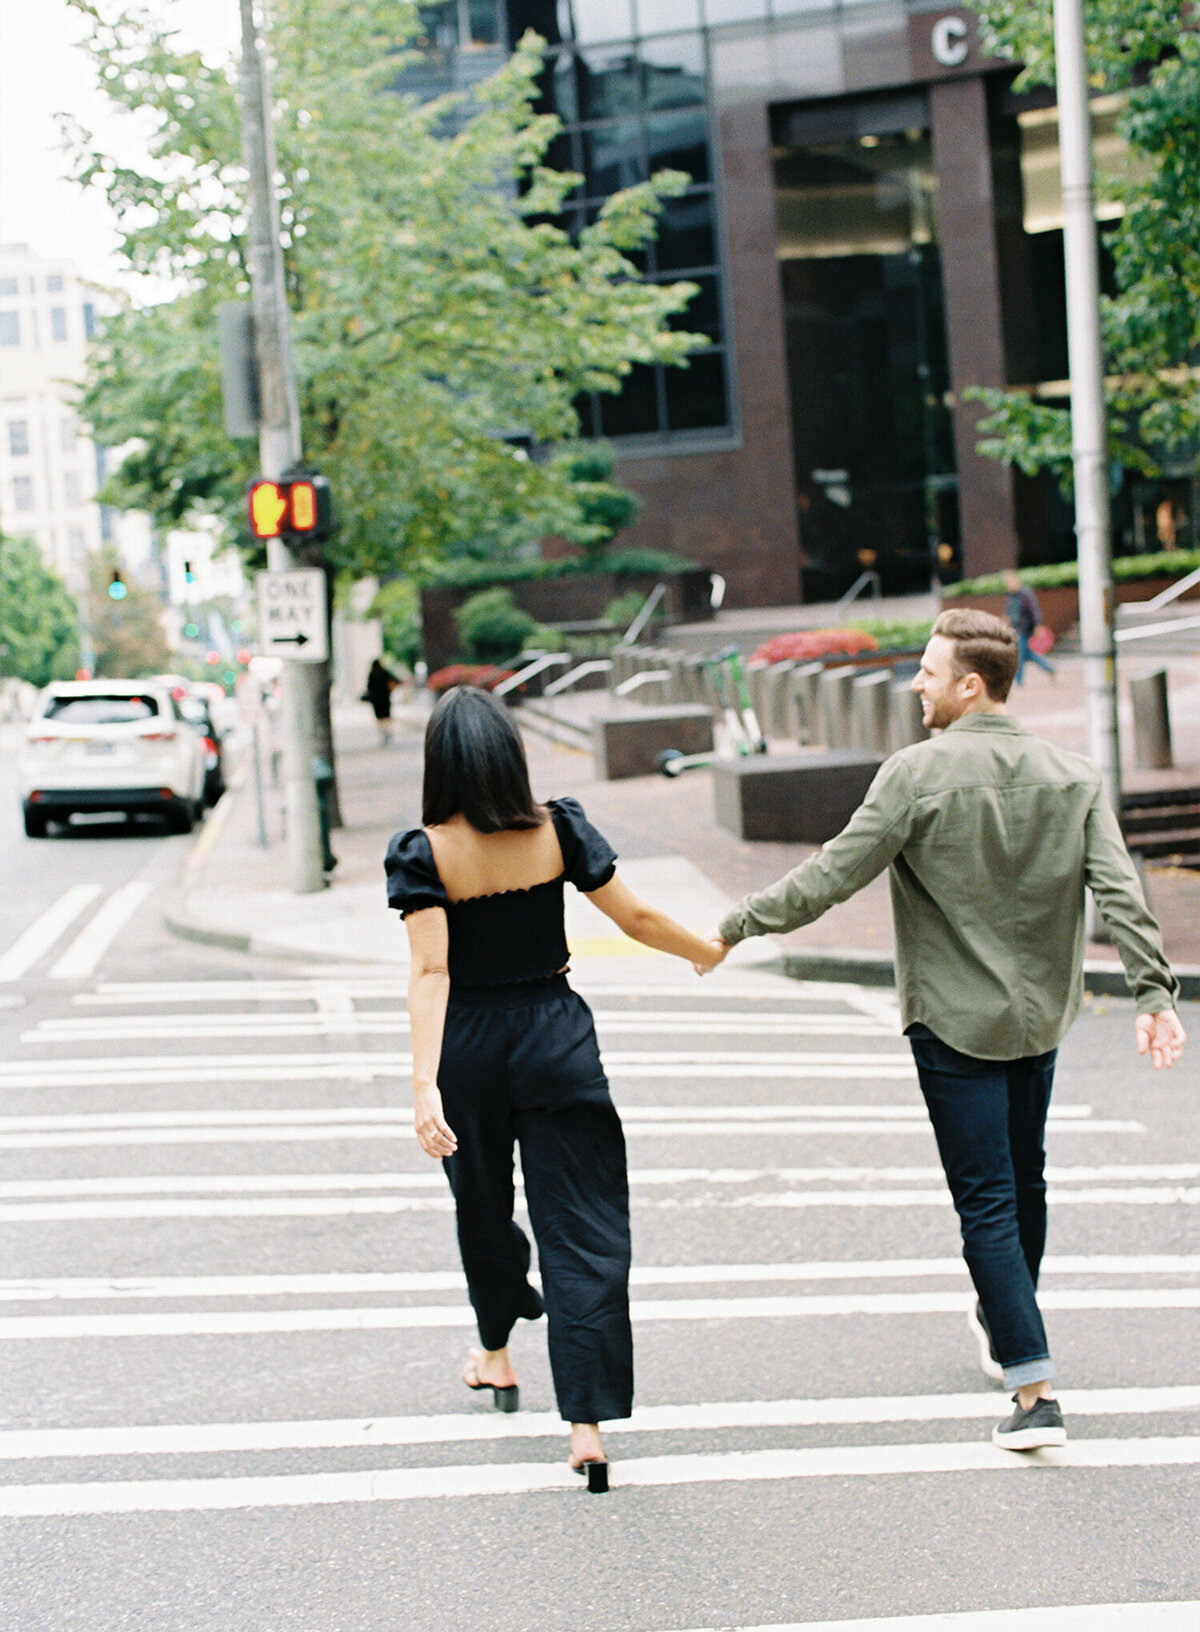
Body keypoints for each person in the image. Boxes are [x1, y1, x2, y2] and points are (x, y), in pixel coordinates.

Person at [708, 609, 1186, 1451]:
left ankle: (1035, 1393)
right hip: (1040, 1015)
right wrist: (1152, 994)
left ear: (972, 684)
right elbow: (1120, 892)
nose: (916, 684)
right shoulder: (1071, 775)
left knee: (989, 1201)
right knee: (1023, 1183)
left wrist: (736, 924)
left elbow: (832, 873)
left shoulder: (914, 776)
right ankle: (1010, 1324)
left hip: (954, 1020)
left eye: (929, 672)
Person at [385, 685, 725, 1488]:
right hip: (555, 1034)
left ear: (440, 765)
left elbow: (430, 972)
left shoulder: (424, 851)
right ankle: (586, 1427)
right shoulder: (559, 826)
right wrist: (698, 951)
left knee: (480, 1203)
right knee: (582, 1226)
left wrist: (423, 1086)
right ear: (509, 754)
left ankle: (497, 1357)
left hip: (467, 1045)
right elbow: (634, 917)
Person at [1003, 569, 1055, 684]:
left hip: (1025, 629)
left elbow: (1035, 610)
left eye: (1010, 581)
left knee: (1019, 656)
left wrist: (1038, 625)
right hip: (1016, 628)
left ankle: (1018, 681)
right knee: (1028, 654)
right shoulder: (1011, 596)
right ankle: (1049, 668)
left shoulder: (1025, 593)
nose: (1009, 584)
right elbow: (1009, 611)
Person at [364, 658, 398, 744]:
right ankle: (387, 731)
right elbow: (395, 680)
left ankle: (383, 732)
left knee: (380, 717)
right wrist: (390, 690)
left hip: (376, 700)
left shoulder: (372, 674)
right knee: (386, 716)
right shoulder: (384, 672)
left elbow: (369, 687)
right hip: (385, 698)